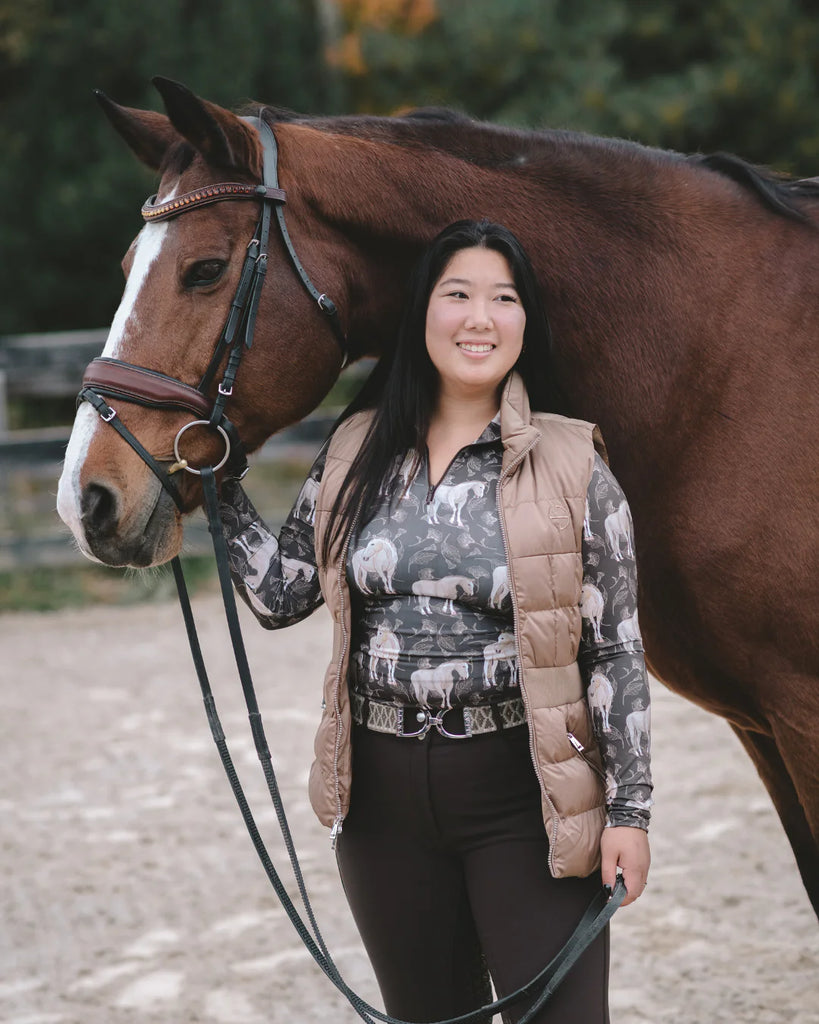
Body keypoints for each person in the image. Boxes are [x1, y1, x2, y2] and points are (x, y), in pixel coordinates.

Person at [218, 219, 652, 1024]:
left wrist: (628, 811)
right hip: (379, 802)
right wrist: (214, 484)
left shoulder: (572, 462)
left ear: (526, 321)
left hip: (524, 799)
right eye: (457, 294)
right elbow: (282, 593)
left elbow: (615, 651)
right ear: (423, 312)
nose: (479, 318)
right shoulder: (355, 448)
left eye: (503, 298)